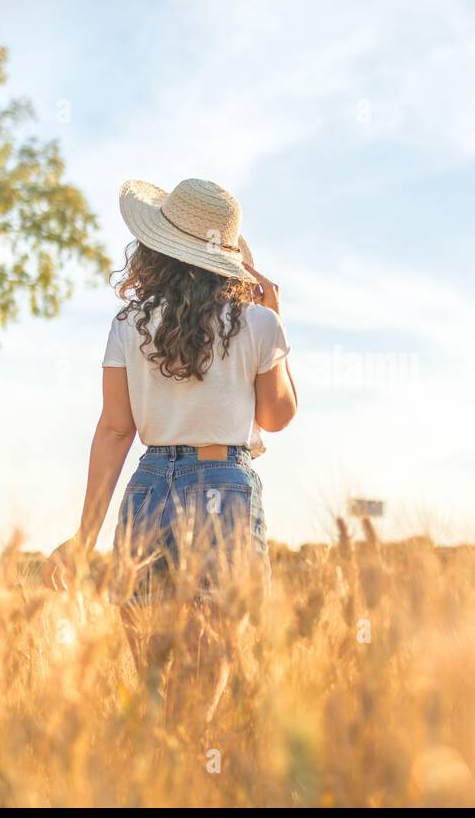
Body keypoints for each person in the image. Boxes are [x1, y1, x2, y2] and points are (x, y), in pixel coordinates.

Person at [42, 178, 297, 614]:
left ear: (154, 252)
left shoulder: (128, 325)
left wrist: (85, 537)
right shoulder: (258, 323)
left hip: (150, 488)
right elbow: (276, 417)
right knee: (215, 659)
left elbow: (115, 430)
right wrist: (276, 321)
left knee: (150, 663)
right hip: (224, 483)